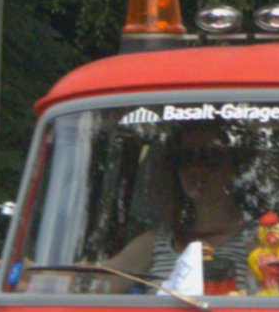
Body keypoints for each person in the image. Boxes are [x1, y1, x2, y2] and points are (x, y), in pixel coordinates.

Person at [105, 123, 255, 294]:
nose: (197, 170)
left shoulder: (259, 241)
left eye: (211, 157)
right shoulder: (154, 242)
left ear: (236, 167)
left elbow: (268, 300)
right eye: (186, 158)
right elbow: (97, 282)